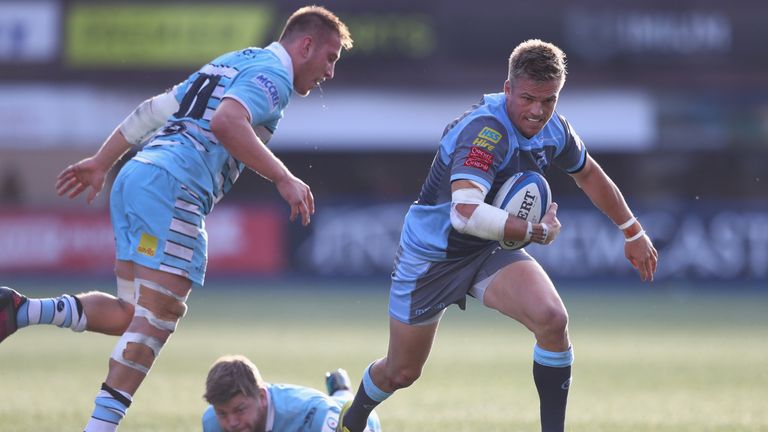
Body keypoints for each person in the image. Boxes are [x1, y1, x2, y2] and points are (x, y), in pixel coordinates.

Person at [0, 6, 352, 432]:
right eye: (330, 58)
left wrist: (102, 162)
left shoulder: (233, 60)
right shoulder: (274, 77)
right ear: (306, 45)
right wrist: (283, 177)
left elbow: (154, 110)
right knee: (155, 323)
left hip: (138, 175)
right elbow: (226, 122)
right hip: (174, 187)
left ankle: (21, 311)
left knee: (131, 313)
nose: (330, 72)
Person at [336, 39, 658, 432]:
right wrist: (534, 231)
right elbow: (466, 212)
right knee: (401, 372)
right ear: (507, 89)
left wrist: (632, 230)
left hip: (487, 250)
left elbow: (588, 172)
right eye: (528, 98)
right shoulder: (486, 133)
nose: (538, 111)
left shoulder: (554, 128)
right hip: (433, 257)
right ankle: (352, 419)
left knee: (552, 319)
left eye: (549, 99)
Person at [202, 355, 382, 432]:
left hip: (347, 415)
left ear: (262, 397)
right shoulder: (212, 421)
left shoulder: (313, 415)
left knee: (343, 402)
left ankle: (341, 389)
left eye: (240, 410)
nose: (232, 423)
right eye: (222, 413)